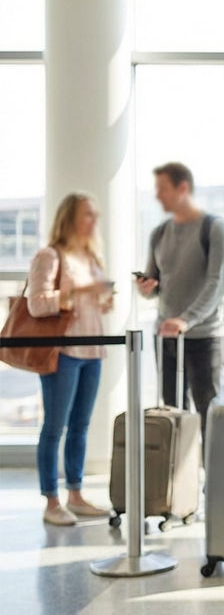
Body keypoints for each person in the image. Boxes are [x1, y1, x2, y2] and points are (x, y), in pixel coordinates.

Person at [28, 193, 115, 526]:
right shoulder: (50, 256)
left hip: (92, 352)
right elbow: (37, 304)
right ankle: (51, 501)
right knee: (54, 427)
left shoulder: (91, 257)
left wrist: (103, 299)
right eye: (87, 214)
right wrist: (79, 292)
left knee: (81, 426)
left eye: (95, 214)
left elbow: (93, 305)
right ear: (70, 218)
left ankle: (75, 495)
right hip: (63, 353)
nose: (94, 220)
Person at [135, 162, 224, 439]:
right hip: (167, 335)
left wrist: (186, 320)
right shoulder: (159, 233)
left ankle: (212, 468)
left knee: (208, 411)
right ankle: (182, 468)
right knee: (173, 412)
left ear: (183, 188)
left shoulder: (215, 228)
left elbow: (217, 284)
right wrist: (146, 288)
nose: (158, 196)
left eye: (163, 189)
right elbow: (156, 282)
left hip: (204, 335)